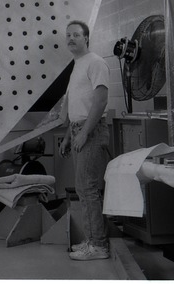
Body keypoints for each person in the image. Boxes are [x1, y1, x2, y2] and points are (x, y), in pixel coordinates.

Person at [59, 20, 111, 261]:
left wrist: (84, 133)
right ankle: (91, 240)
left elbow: (100, 101)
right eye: (68, 35)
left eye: (76, 35)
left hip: (91, 131)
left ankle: (98, 245)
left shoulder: (96, 62)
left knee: (88, 188)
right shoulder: (78, 64)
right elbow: (77, 106)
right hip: (79, 129)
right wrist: (69, 136)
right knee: (82, 188)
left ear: (86, 38)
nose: (71, 38)